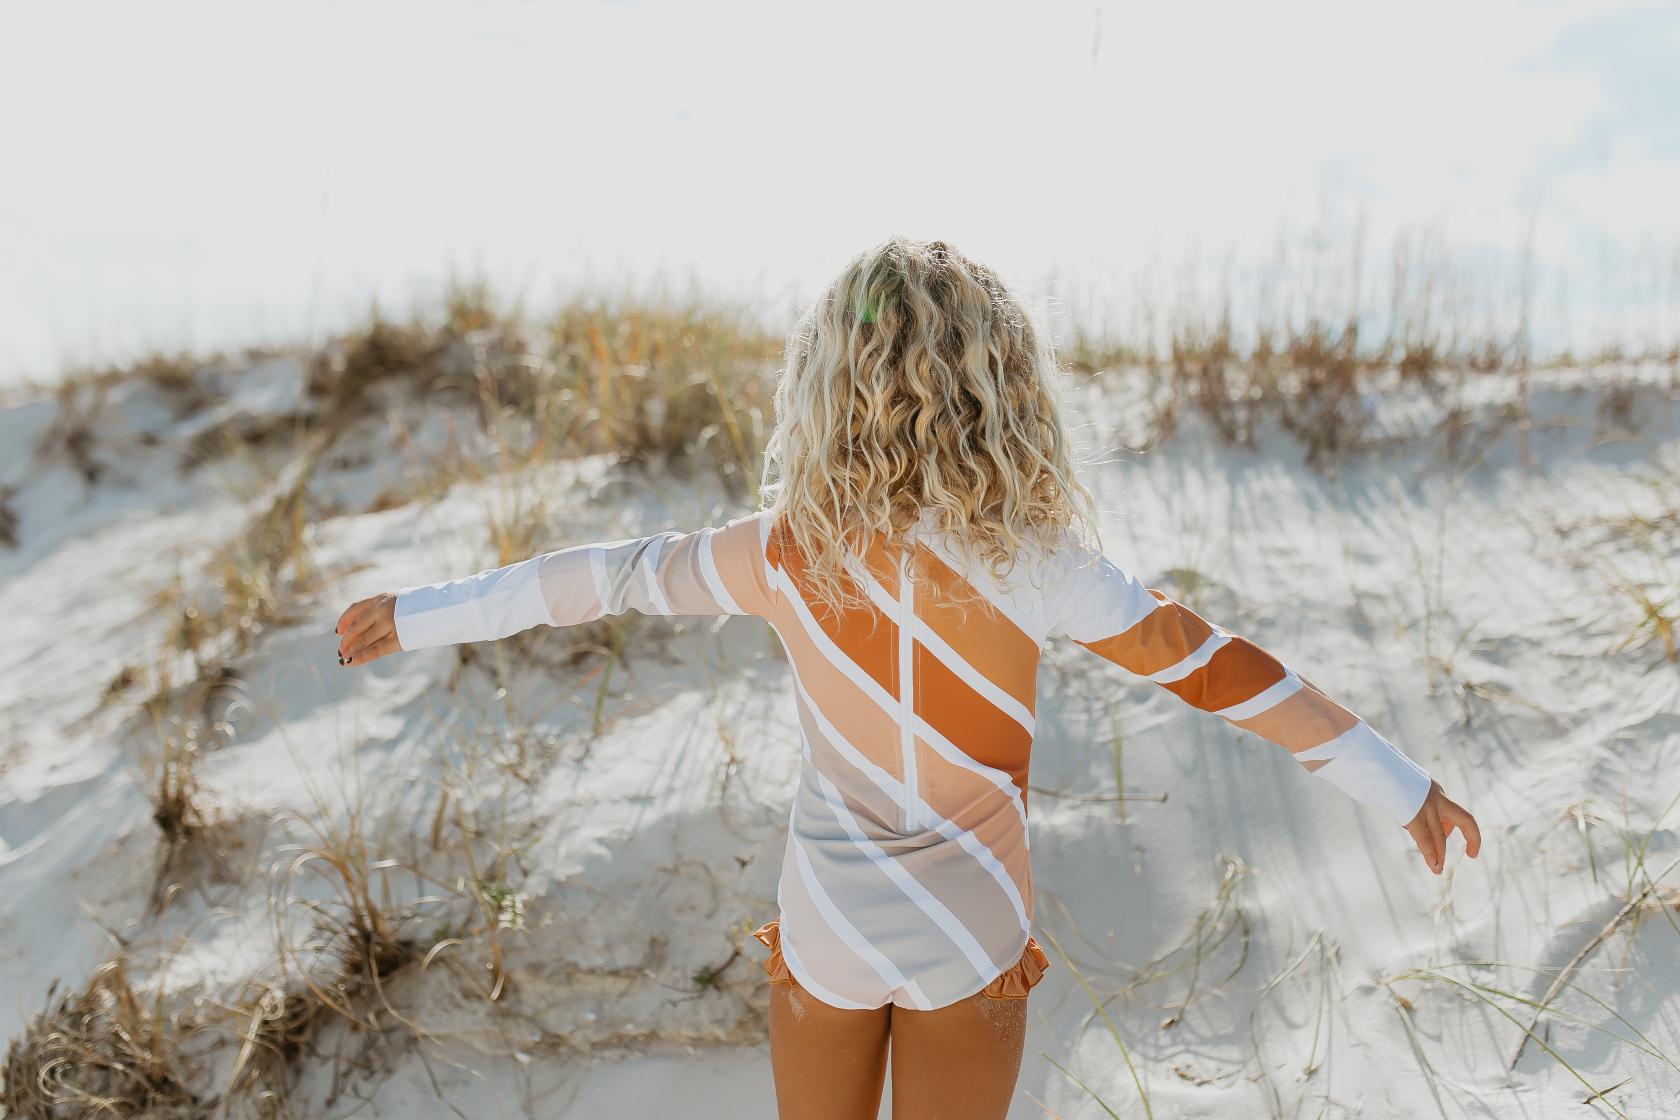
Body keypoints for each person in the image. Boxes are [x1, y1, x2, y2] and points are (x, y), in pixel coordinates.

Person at [333, 236, 1481, 1119]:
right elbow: (1226, 673)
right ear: (1007, 391)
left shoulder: (785, 550)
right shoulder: (1043, 566)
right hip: (969, 918)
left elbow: (611, 575)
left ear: (827, 388)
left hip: (828, 913)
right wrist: (1402, 786)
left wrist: (419, 611)